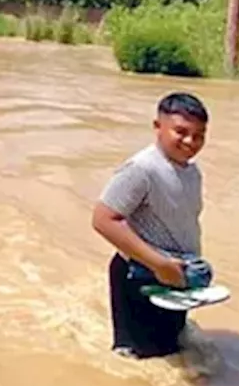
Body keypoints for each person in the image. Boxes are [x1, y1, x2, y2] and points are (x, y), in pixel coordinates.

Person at [92, 93, 218, 366]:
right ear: (157, 127)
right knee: (140, 364)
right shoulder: (141, 170)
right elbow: (103, 219)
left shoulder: (192, 171)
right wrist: (159, 264)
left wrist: (178, 270)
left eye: (199, 135)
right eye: (181, 132)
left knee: (172, 351)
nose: (190, 142)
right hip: (139, 276)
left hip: (175, 275)